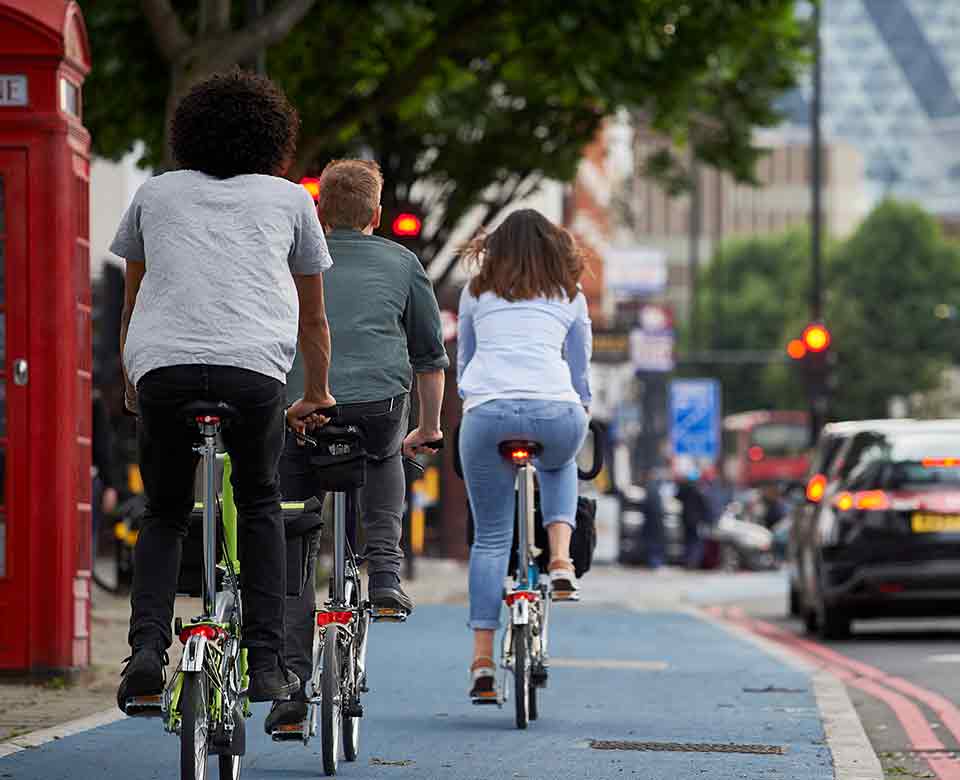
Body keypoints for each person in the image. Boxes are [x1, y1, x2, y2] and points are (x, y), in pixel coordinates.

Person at [112, 71, 336, 713]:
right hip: (252, 370)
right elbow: (312, 317)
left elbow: (133, 302)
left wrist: (135, 384)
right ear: (274, 138)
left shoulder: (155, 194)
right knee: (260, 501)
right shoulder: (292, 200)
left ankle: (148, 652)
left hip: (164, 368)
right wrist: (315, 390)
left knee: (163, 510)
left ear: (188, 133)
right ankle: (266, 665)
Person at [265, 159, 447, 732]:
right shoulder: (403, 262)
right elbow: (429, 358)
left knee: (295, 539)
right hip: (377, 407)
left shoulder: (294, 260)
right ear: (376, 213)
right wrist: (430, 427)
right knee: (385, 453)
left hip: (303, 410)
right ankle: (386, 577)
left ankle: (291, 690)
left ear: (319, 212)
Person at [457, 209, 591, 701]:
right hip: (556, 411)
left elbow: (464, 361)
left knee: (491, 539)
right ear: (554, 248)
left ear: (496, 248)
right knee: (560, 459)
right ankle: (559, 561)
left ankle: (482, 662)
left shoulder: (475, 291)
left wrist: (472, 404)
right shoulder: (570, 294)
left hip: (488, 413)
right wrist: (583, 410)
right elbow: (580, 371)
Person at [675, 466, 710, 569]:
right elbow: (704, 505)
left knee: (688, 541)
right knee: (694, 542)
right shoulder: (700, 489)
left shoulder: (685, 488)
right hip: (695, 520)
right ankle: (692, 562)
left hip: (686, 519)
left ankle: (689, 561)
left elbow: (677, 496)